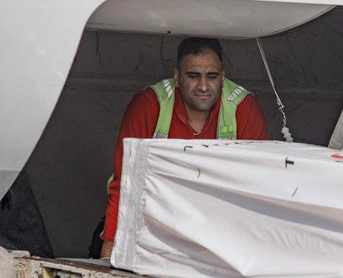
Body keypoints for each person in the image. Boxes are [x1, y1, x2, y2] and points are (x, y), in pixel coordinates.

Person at [100, 37, 268, 259]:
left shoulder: (242, 107)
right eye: (193, 76)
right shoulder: (150, 104)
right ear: (177, 77)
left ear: (223, 77)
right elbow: (126, 183)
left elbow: (258, 185)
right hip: (155, 225)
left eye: (212, 76)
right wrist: (110, 247)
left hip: (219, 229)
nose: (203, 86)